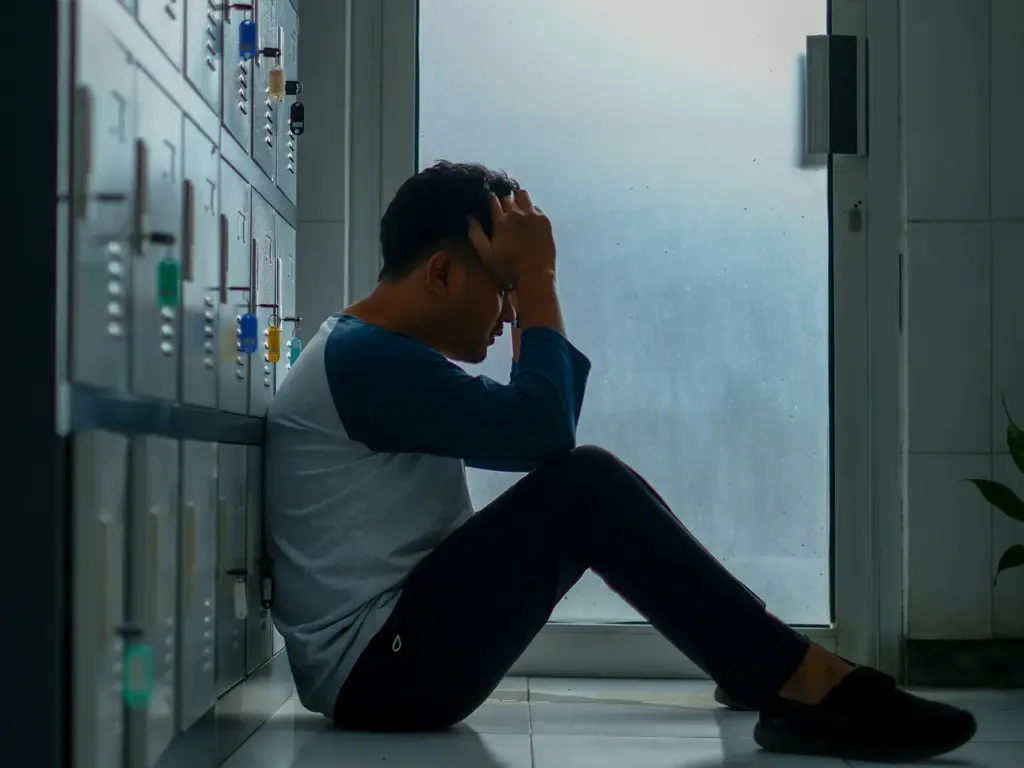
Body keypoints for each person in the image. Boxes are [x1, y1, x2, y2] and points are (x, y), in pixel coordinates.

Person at [263, 160, 977, 762]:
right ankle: (798, 681)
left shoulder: (370, 353)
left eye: (516, 294)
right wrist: (541, 274)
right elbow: (544, 433)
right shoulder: (367, 362)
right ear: (443, 273)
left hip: (386, 661)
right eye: (503, 288)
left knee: (585, 485)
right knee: (583, 488)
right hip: (380, 675)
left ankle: (759, 667)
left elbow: (536, 425)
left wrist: (527, 283)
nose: (511, 314)